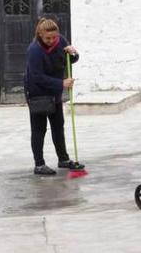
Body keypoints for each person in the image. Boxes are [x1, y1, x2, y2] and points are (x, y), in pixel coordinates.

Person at [24, 18, 85, 175]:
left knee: (58, 127)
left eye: (54, 37)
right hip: (37, 92)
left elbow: (70, 60)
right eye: (48, 38)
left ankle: (63, 159)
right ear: (40, 35)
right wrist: (62, 83)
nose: (52, 41)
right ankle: (39, 165)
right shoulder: (34, 50)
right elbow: (37, 76)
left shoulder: (60, 40)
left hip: (54, 92)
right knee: (39, 129)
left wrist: (74, 53)